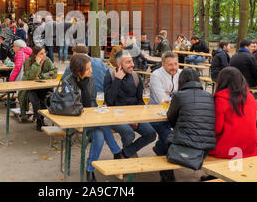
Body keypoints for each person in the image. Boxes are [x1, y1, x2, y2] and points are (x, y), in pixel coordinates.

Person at [63, 54, 123, 182]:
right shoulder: (68, 82)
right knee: (102, 125)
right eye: (88, 68)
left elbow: (90, 101)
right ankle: (117, 151)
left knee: (99, 135)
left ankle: (90, 169)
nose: (91, 70)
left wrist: (98, 108)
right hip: (75, 120)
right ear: (79, 71)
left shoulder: (90, 79)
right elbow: (71, 105)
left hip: (90, 120)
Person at [103, 50, 157, 158]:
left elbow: (141, 100)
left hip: (134, 116)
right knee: (129, 133)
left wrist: (136, 118)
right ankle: (129, 155)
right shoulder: (110, 76)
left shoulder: (136, 77)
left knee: (151, 134)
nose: (132, 64)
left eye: (132, 61)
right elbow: (109, 101)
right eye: (128, 62)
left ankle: (126, 152)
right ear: (119, 65)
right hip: (115, 116)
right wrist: (118, 80)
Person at [166, 68, 216, 181]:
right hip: (205, 149)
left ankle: (167, 177)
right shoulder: (209, 96)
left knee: (160, 145)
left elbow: (171, 118)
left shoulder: (179, 96)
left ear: (181, 81)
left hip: (185, 147)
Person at [208, 66, 257, 158]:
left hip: (227, 149)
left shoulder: (220, 99)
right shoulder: (251, 97)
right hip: (251, 148)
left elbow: (217, 129)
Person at [148, 51, 181, 182]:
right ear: (163, 64)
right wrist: (175, 97)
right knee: (169, 137)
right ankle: (166, 172)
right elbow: (162, 99)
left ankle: (159, 148)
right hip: (156, 114)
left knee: (180, 136)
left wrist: (172, 96)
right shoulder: (156, 75)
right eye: (170, 65)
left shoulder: (181, 73)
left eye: (176, 64)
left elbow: (185, 95)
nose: (174, 67)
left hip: (175, 114)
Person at [20, 46, 57, 131]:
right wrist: (37, 64)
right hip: (30, 88)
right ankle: (39, 120)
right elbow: (31, 76)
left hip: (44, 87)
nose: (44, 55)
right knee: (35, 99)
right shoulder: (29, 61)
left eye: (45, 53)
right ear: (35, 55)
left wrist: (42, 76)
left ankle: (41, 119)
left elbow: (54, 72)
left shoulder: (47, 60)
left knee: (47, 97)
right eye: (41, 53)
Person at [9, 39, 33, 122]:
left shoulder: (19, 53)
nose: (13, 48)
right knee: (25, 94)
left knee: (21, 95)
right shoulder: (29, 52)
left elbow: (18, 67)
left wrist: (11, 79)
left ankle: (23, 114)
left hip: (22, 77)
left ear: (18, 47)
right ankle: (25, 111)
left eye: (14, 46)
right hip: (28, 76)